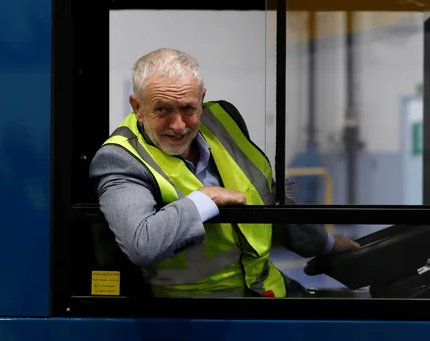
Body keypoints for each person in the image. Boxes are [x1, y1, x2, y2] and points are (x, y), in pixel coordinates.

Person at [89, 48, 360, 298]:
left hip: (268, 291)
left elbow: (265, 200)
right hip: (195, 315)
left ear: (201, 100)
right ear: (137, 107)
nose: (179, 125)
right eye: (162, 110)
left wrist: (326, 244)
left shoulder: (223, 121)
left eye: (188, 108)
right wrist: (205, 200)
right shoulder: (120, 159)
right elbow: (142, 242)